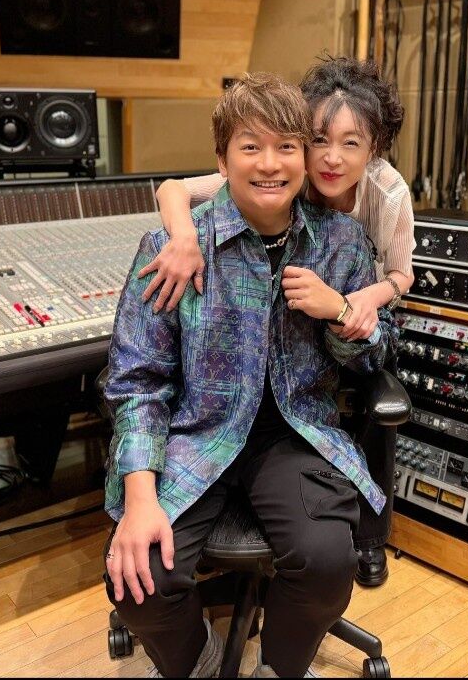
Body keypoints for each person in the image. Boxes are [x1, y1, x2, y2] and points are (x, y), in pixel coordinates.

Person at [103, 72, 391, 678]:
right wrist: (140, 499)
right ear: (222, 159)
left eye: (286, 146)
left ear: (304, 159)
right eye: (250, 146)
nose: (269, 163)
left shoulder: (342, 243)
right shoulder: (174, 247)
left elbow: (375, 358)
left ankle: (278, 670)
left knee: (328, 564)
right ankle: (201, 664)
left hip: (296, 436)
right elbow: (137, 381)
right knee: (139, 580)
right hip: (195, 435)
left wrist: (339, 312)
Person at [141, 56, 413, 587]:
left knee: (372, 386)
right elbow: (175, 188)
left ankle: (365, 535)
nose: (331, 157)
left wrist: (348, 305)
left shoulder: (383, 199)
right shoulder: (278, 171)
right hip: (221, 413)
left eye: (351, 143)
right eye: (318, 140)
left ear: (374, 149)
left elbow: (402, 276)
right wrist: (184, 236)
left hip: (360, 312)